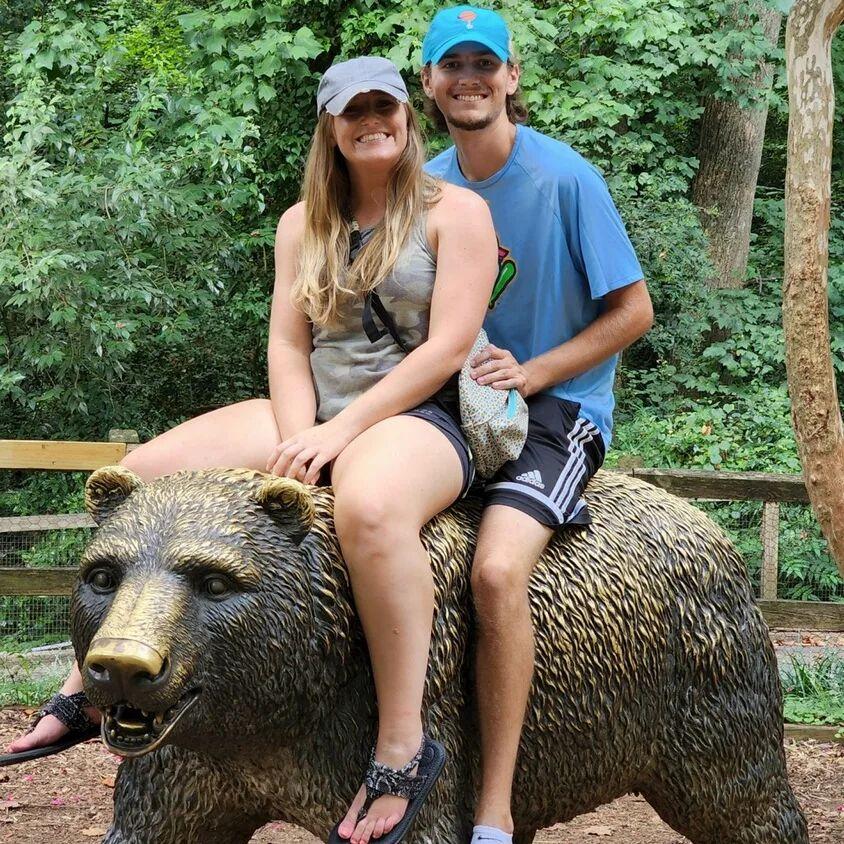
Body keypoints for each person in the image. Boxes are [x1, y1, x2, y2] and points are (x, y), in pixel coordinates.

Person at [5, 57, 499, 844]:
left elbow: (445, 350)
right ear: (331, 128)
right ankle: (87, 690)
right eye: (353, 111)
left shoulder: (456, 212)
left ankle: (405, 742)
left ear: (408, 119)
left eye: (386, 107)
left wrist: (338, 436)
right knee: (137, 480)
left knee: (369, 511)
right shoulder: (302, 222)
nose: (372, 121)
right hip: (314, 406)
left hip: (422, 414)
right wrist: (298, 436)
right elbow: (286, 339)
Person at [417, 7, 655, 844]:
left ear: (512, 78)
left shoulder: (565, 179)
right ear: (429, 84)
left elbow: (635, 310)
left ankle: (494, 809)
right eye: (454, 65)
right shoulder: (427, 185)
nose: (470, 76)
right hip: (454, 405)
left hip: (557, 408)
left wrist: (537, 371)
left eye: (487, 62)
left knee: (492, 575)